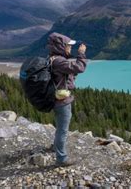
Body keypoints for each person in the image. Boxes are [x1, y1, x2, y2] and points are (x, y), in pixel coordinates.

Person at [47, 32, 87, 167]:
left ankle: (55, 147)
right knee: (63, 130)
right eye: (68, 46)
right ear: (60, 46)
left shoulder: (53, 58)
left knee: (60, 127)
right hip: (62, 101)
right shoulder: (59, 61)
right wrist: (81, 54)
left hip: (55, 98)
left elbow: (66, 75)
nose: (70, 48)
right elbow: (80, 68)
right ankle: (61, 159)